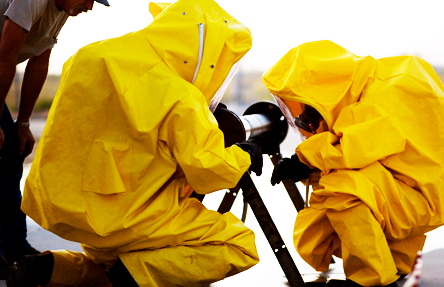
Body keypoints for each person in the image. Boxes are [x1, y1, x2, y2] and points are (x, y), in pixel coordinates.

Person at [7, 0, 263, 286]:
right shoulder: (180, 96)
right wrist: (244, 157)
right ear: (205, 51)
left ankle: (52, 269)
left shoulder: (89, 56)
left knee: (114, 258)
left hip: (65, 209)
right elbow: (209, 172)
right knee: (238, 244)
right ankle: (131, 279)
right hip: (126, 219)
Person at [264, 40, 444, 287]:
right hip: (421, 187)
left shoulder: (381, 96)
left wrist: (303, 160)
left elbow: (351, 150)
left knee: (343, 189)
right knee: (361, 186)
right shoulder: (378, 83)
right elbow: (368, 154)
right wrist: (309, 165)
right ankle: (395, 264)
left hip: (424, 195)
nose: (302, 118)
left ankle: (371, 280)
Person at [0, 0, 109, 279]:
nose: (89, 7)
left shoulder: (63, 8)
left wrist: (23, 124)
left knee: (13, 149)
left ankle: (14, 246)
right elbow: (5, 56)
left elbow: (39, 60)